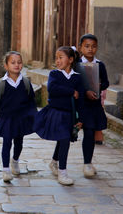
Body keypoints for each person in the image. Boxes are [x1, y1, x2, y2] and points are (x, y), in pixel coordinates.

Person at [33, 46, 85, 186]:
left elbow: (80, 100)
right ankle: (62, 172)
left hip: (69, 115)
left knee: (63, 139)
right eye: (56, 58)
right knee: (64, 139)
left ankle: (54, 162)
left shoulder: (77, 78)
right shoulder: (54, 74)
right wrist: (70, 91)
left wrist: (81, 119)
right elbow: (52, 89)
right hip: (56, 113)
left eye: (61, 57)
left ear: (70, 59)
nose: (57, 60)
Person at [0, 51, 37, 182]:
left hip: (21, 119)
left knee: (19, 143)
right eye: (13, 62)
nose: (16, 65)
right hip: (6, 119)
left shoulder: (25, 83)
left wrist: (35, 117)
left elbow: (32, 102)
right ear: (6, 65)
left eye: (19, 62)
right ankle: (6, 170)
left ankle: (15, 160)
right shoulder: (1, 84)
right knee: (7, 143)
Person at [78, 34, 109, 177]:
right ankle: (56, 161)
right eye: (87, 46)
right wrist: (85, 92)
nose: (90, 49)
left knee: (90, 133)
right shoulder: (77, 64)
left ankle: (87, 163)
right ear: (80, 48)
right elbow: (74, 83)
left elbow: (106, 82)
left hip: (94, 105)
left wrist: (99, 86)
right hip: (82, 104)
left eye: (94, 46)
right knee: (67, 135)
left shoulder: (100, 65)